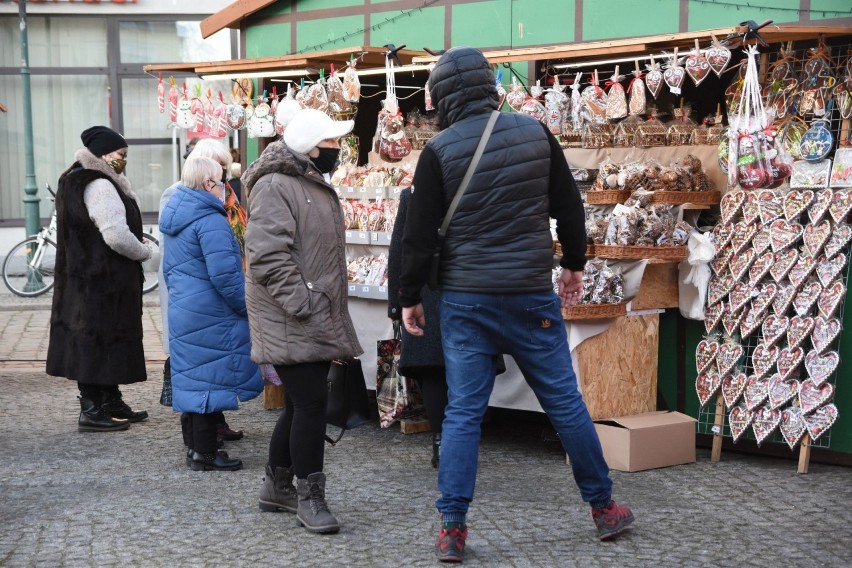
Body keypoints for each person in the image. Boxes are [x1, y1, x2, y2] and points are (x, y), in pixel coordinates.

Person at [398, 47, 634, 562]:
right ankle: (604, 509)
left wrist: (409, 298)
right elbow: (569, 206)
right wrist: (574, 263)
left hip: (465, 300)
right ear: (488, 85)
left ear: (442, 97)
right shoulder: (534, 133)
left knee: (463, 413)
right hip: (530, 295)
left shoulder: (438, 150)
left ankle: (452, 528)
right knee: (566, 403)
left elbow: (418, 236)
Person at [243, 108, 363, 534]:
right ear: (312, 146)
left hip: (304, 311)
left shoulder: (305, 181)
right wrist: (304, 303)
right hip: (290, 314)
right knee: (312, 404)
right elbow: (266, 256)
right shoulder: (277, 185)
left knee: (299, 403)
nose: (338, 149)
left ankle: (276, 486)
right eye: (333, 142)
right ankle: (309, 496)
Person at [159, 155, 262, 471]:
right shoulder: (210, 219)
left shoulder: (178, 213)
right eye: (222, 180)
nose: (226, 186)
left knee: (193, 379)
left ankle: (194, 448)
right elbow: (226, 276)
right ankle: (205, 453)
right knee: (209, 383)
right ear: (208, 184)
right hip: (211, 312)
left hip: (186, 308)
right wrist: (247, 308)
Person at [47, 125, 152, 432]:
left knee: (101, 341)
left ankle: (110, 400)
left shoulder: (76, 178)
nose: (124, 158)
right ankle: (92, 409)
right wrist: (143, 252)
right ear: (105, 154)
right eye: (122, 153)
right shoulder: (99, 184)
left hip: (86, 279)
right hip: (101, 281)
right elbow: (116, 235)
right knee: (95, 342)